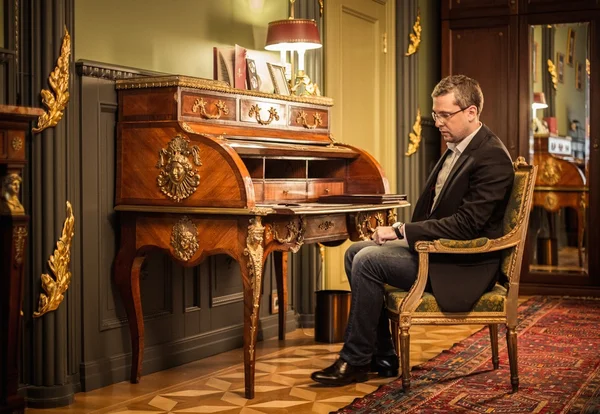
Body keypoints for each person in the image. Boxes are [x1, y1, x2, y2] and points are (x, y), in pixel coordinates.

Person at [311, 75, 515, 386]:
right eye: (435, 114)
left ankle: (355, 359)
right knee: (355, 252)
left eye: (445, 115)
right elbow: (436, 210)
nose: (437, 122)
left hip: (464, 264)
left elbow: (467, 225)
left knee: (368, 261)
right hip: (440, 253)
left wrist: (400, 231)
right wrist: (401, 231)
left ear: (471, 112)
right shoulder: (458, 146)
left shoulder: (492, 157)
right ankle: (383, 355)